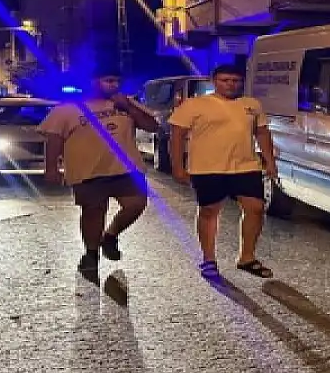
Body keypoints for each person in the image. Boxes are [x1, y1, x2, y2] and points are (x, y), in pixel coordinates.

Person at [41, 68, 159, 278]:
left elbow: (152, 126)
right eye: (109, 80)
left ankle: (110, 236)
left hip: (126, 168)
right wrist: (51, 168)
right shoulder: (67, 109)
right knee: (93, 213)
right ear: (92, 82)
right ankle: (91, 254)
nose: (114, 85)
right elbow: (54, 140)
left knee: (136, 204)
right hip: (88, 171)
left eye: (117, 81)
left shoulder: (126, 103)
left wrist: (129, 107)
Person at [168, 63, 278, 281]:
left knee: (256, 208)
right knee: (209, 211)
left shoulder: (251, 105)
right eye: (225, 80)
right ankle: (208, 259)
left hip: (246, 166)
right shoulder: (195, 104)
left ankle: (247, 258)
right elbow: (177, 136)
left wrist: (270, 160)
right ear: (214, 81)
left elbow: (262, 133)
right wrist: (178, 167)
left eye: (235, 81)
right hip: (207, 167)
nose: (230, 84)